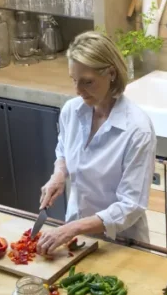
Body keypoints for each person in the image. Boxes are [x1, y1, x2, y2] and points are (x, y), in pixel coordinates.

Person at [36, 31, 156, 255]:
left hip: (121, 245)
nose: (78, 90)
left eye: (87, 82)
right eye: (74, 80)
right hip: (75, 238)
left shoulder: (137, 130)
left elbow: (131, 206)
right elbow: (63, 149)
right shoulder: (71, 111)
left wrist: (72, 228)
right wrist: (59, 174)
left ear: (111, 73)